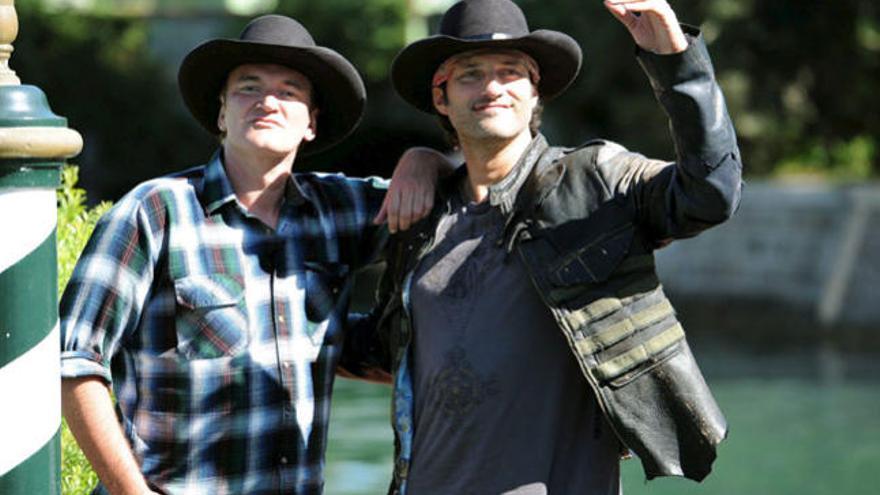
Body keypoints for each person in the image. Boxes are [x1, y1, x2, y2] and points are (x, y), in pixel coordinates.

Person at [349, 0, 743, 493]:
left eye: (511, 72)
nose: (492, 87)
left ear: (535, 94)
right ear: (441, 99)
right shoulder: (420, 219)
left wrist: (676, 61)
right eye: (469, 74)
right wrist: (421, 158)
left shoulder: (596, 179)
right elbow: (383, 350)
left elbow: (711, 192)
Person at [60, 14, 446, 494]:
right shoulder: (153, 211)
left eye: (289, 91)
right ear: (222, 113)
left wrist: (423, 161)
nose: (268, 101)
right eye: (248, 87)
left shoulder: (340, 212)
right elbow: (73, 363)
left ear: (311, 123)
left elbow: (462, 196)